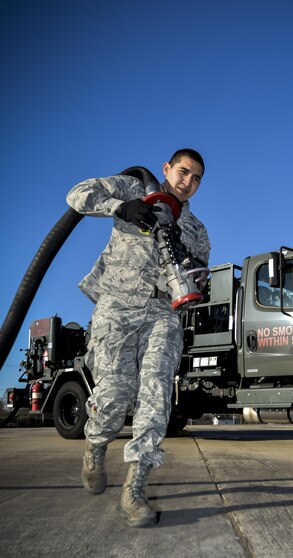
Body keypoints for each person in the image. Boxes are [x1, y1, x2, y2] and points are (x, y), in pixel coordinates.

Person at [66, 148, 210, 527]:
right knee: (114, 394)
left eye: (196, 179)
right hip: (117, 306)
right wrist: (121, 207)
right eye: (183, 172)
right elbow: (77, 195)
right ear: (167, 168)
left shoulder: (196, 228)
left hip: (163, 313)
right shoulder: (134, 186)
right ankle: (95, 447)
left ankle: (135, 488)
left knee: (156, 393)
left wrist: (195, 271)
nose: (188, 183)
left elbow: (200, 274)